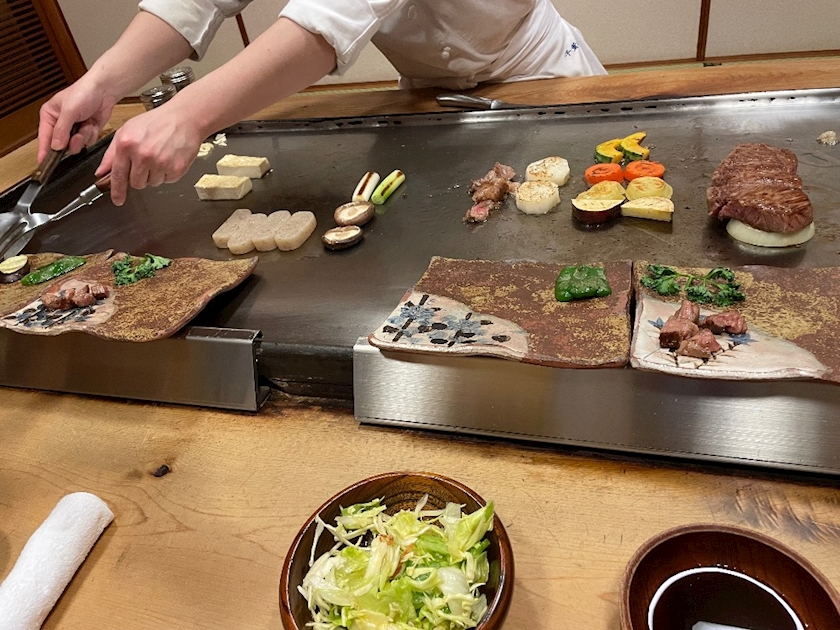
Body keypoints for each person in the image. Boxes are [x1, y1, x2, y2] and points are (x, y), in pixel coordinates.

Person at [38, 1, 606, 206]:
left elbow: (330, 17)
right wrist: (103, 81)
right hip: (428, 94)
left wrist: (187, 115)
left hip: (538, 74)